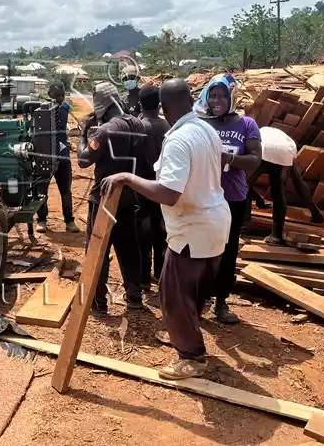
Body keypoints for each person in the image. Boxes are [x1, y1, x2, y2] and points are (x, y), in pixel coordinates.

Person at [100, 78, 230, 380]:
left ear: (164, 106)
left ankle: (192, 357)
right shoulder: (206, 129)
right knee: (194, 291)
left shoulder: (179, 139)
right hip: (213, 222)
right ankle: (185, 337)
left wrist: (127, 178)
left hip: (192, 228)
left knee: (172, 294)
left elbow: (168, 192)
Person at [78, 82, 156, 316]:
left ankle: (99, 302)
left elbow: (83, 160)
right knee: (129, 249)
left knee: (97, 250)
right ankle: (134, 297)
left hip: (103, 198)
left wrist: (84, 133)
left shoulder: (103, 132)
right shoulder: (138, 124)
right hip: (129, 196)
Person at [195, 73, 262, 324]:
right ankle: (202, 299)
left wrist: (231, 159)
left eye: (222, 96)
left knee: (228, 249)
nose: (216, 100)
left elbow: (255, 160)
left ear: (230, 97)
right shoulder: (203, 124)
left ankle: (221, 302)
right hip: (206, 197)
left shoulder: (246, 125)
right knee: (202, 249)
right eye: (212, 95)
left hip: (233, 198)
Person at [246, 126, 324, 245]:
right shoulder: (283, 142)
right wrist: (315, 212)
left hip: (265, 149)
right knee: (279, 192)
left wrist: (257, 198)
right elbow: (299, 185)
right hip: (285, 152)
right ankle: (277, 236)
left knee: (242, 186)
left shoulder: (255, 136)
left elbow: (244, 184)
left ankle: (241, 229)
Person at [135, 85, 170, 289]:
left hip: (143, 189)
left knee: (143, 236)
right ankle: (160, 274)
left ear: (140, 104)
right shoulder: (167, 126)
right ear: (159, 105)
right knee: (161, 235)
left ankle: (144, 279)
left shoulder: (140, 127)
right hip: (164, 188)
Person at [36, 82, 79, 233]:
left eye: (62, 95)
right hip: (45, 154)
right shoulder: (41, 110)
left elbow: (60, 123)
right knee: (42, 190)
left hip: (62, 155)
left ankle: (69, 221)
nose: (60, 98)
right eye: (56, 95)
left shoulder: (64, 107)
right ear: (49, 95)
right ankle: (41, 220)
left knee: (65, 190)